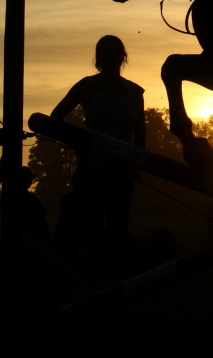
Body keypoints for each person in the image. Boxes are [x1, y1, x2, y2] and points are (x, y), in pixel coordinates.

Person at [51, 35, 146, 271]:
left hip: (123, 170)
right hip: (92, 168)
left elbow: (140, 133)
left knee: (118, 226)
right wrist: (77, 142)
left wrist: (136, 163)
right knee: (91, 224)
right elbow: (56, 117)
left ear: (123, 57)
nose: (111, 56)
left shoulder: (135, 92)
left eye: (116, 52)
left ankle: (114, 278)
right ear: (98, 57)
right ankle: (89, 277)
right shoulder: (86, 86)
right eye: (107, 52)